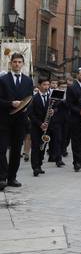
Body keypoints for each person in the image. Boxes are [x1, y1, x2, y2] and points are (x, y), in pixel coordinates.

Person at [0, 52, 35, 189]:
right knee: (1, 150)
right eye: (15, 62)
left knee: (16, 151)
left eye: (19, 62)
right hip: (4, 122)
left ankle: (12, 178)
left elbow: (31, 99)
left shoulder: (28, 81)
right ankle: (2, 178)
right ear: (11, 63)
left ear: (23, 64)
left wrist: (27, 109)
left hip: (20, 122)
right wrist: (10, 103)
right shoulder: (3, 80)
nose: (17, 64)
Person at [66, 67, 81, 172]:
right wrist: (79, 111)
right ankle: (76, 162)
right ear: (77, 75)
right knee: (76, 140)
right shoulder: (71, 87)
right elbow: (69, 104)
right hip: (75, 117)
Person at [29, 75, 53, 177]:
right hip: (36, 126)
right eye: (44, 85)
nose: (46, 87)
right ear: (39, 85)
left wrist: (53, 111)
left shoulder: (51, 98)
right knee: (35, 147)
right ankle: (35, 167)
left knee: (43, 147)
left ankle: (40, 164)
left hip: (47, 126)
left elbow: (56, 108)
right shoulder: (34, 98)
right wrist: (40, 124)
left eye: (48, 84)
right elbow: (30, 114)